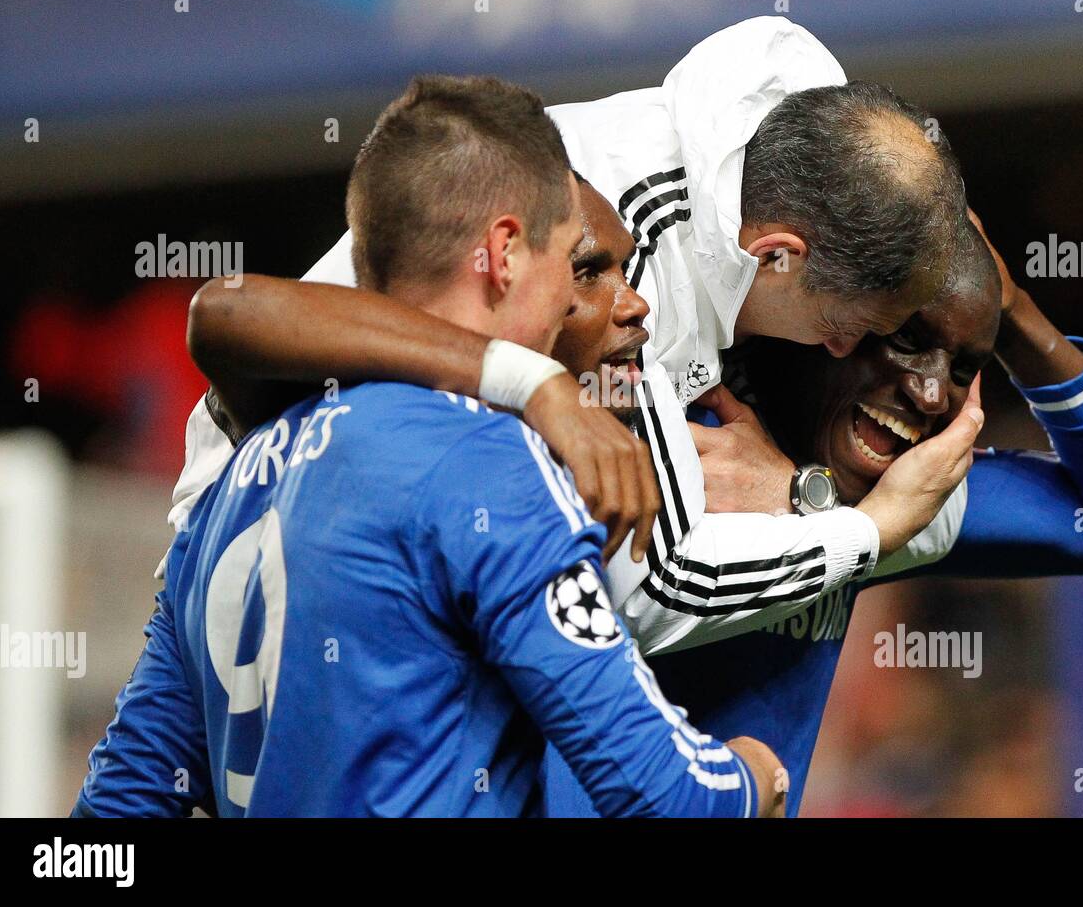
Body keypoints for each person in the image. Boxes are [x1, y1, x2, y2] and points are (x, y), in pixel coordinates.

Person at [75, 75, 785, 818]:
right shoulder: (487, 464)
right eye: (569, 257)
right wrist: (750, 776)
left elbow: (113, 814)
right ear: (505, 253)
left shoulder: (231, 489)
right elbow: (662, 794)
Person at [167, 19, 979, 652]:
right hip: (270, 557)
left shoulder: (784, 160)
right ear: (776, 256)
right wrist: (862, 531)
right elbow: (652, 590)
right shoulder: (631, 268)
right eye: (844, 328)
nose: (841, 353)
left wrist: (815, 498)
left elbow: (939, 511)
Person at [543, 215, 1083, 815]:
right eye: (908, 336)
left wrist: (1014, 310)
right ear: (834, 320)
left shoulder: (885, 504)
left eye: (965, 366)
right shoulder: (671, 440)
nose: (927, 388)